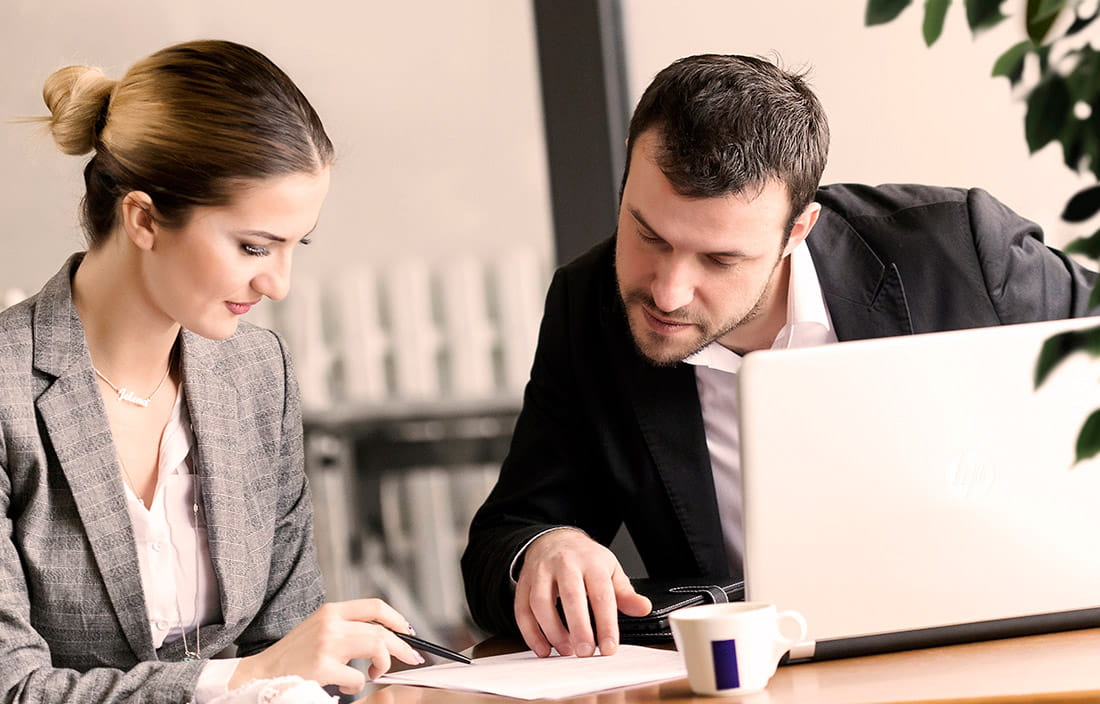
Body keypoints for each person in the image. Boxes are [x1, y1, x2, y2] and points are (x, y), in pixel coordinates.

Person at [461, 53, 1099, 659]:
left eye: (719, 259)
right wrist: (545, 548)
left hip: (1017, 647)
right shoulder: (590, 306)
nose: (667, 290)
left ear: (799, 231)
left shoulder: (962, 251)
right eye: (648, 236)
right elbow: (503, 537)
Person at [0, 40, 423, 703]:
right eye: (254, 246)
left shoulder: (257, 374)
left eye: (293, 246)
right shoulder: (7, 391)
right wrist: (242, 678)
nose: (277, 284)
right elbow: (13, 688)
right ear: (143, 218)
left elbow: (291, 652)